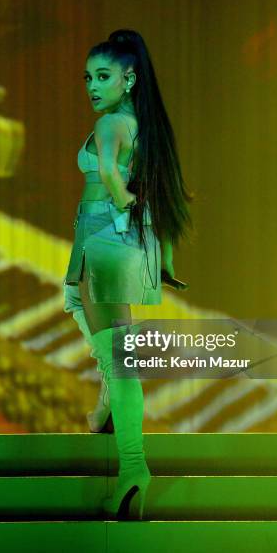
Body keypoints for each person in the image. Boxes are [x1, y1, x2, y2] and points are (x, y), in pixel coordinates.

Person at [63, 29, 192, 518]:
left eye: (103, 76)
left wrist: (122, 204)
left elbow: (115, 175)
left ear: (129, 78)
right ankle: (107, 406)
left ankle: (134, 470)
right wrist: (160, 250)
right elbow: (164, 191)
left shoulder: (112, 120)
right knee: (84, 311)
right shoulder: (144, 123)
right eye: (88, 78)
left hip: (105, 235)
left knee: (120, 357)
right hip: (112, 238)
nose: (92, 86)